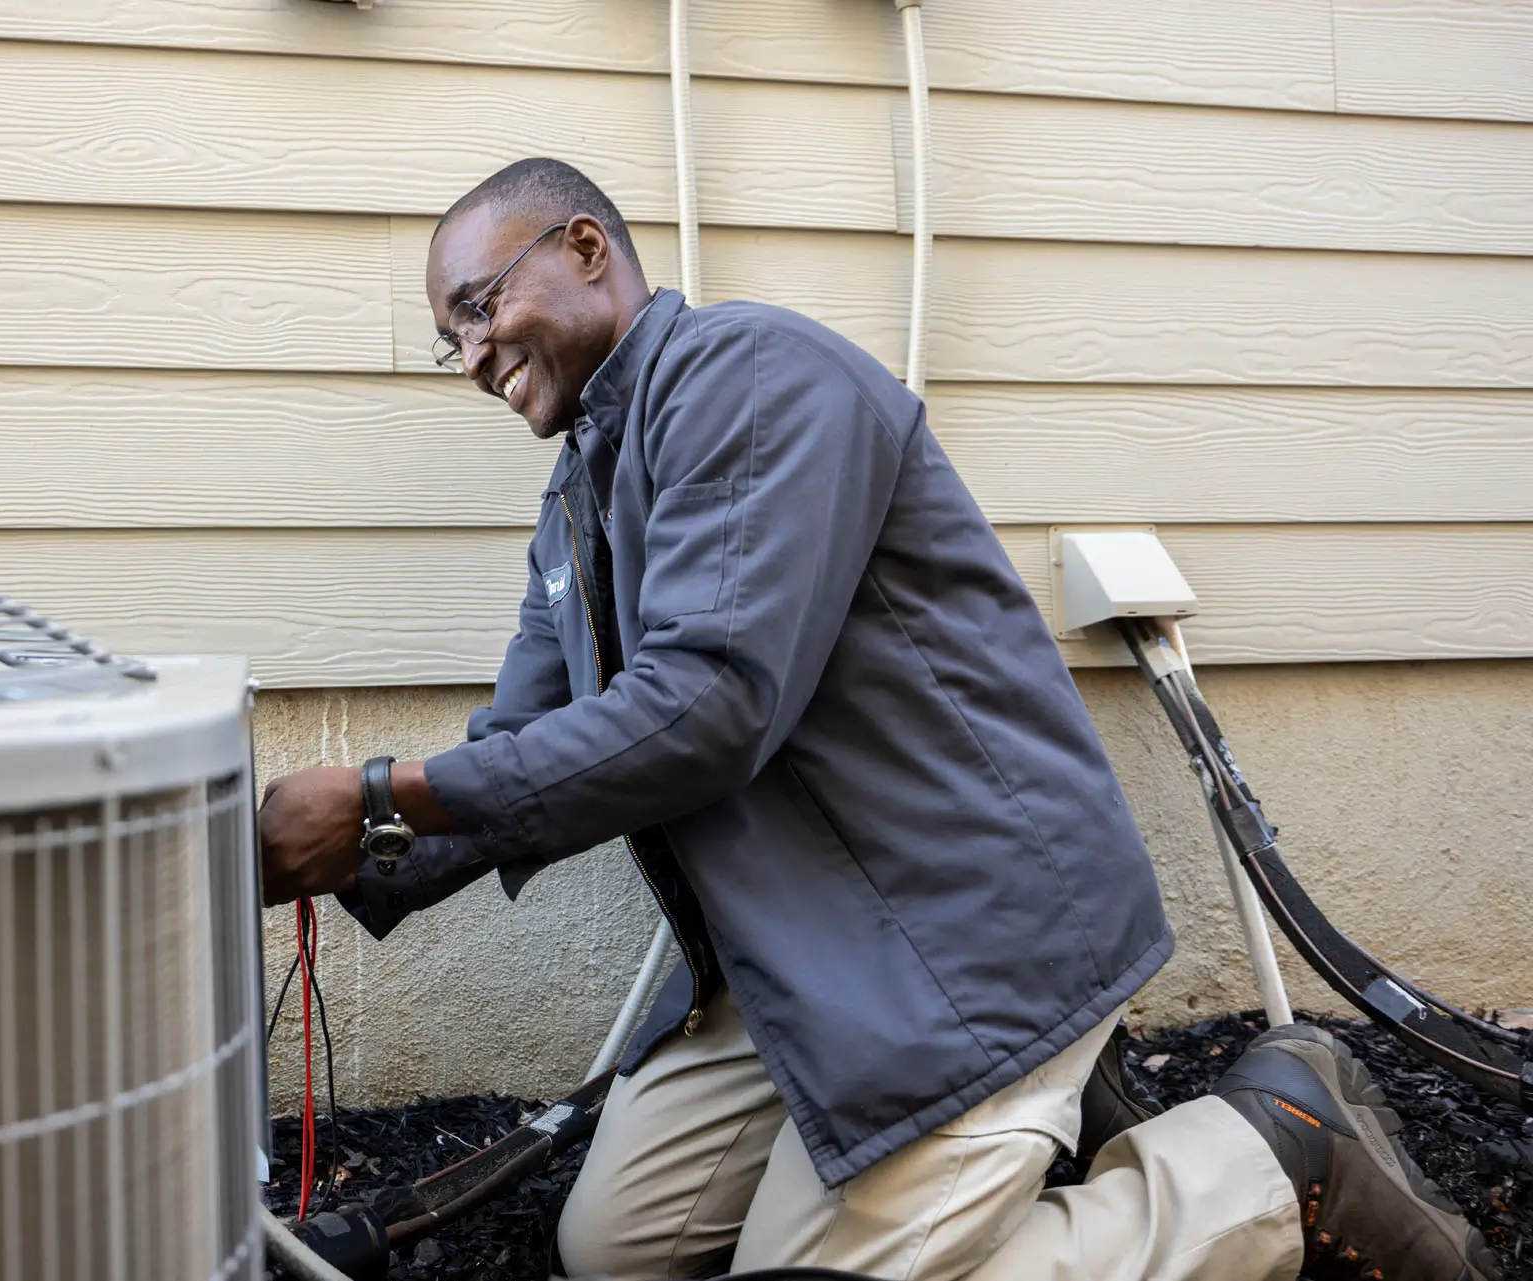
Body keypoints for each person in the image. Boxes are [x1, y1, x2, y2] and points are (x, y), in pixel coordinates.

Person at [257, 158, 1499, 1281]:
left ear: (585, 248)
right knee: (615, 1248)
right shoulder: (580, 493)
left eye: (479, 307)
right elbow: (523, 757)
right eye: (451, 341)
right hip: (807, 952)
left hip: (964, 931)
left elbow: (706, 707)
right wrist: (321, 851)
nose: (474, 354)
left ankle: (1266, 1160)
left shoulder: (748, 380)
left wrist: (374, 794)